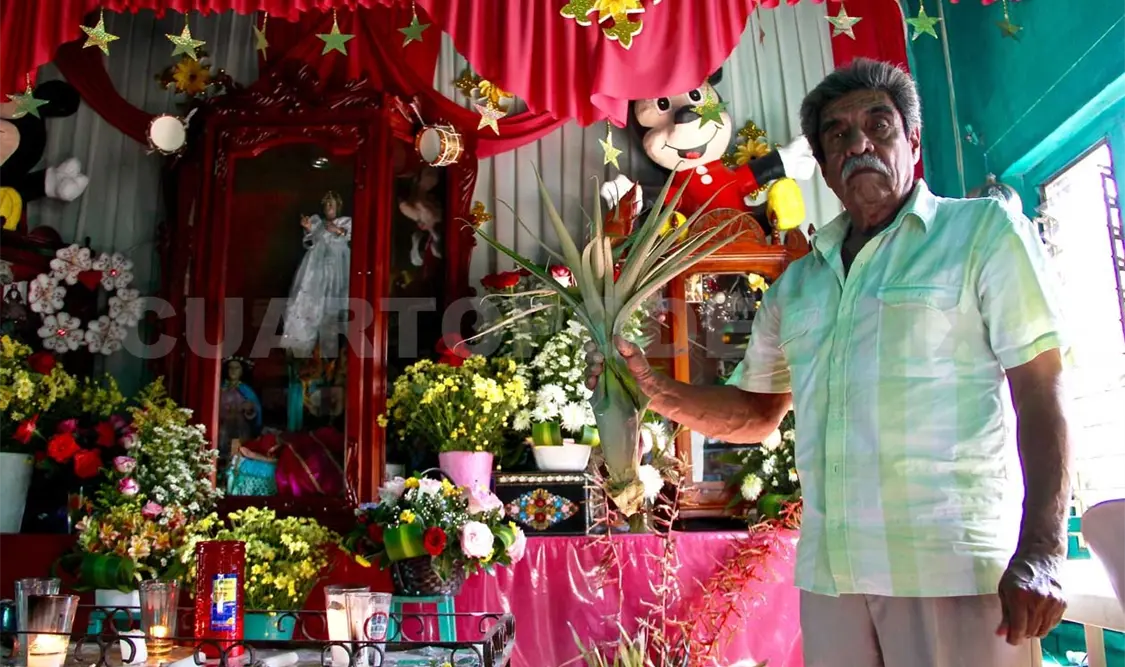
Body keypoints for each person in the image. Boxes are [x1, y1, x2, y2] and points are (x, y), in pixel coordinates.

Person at [586, 58, 1070, 667]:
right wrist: (653, 390)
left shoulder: (981, 235)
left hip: (952, 572)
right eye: (837, 134)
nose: (859, 142)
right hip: (832, 580)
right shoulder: (799, 285)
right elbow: (757, 414)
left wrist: (1046, 547)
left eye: (879, 125)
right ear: (821, 162)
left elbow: (1041, 390)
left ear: (913, 140)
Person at [281, 191, 353, 357]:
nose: (329, 207)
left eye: (332, 204)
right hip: (316, 265)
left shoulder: (345, 221)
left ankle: (334, 348)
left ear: (338, 207)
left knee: (336, 301)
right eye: (326, 204)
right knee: (309, 299)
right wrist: (308, 230)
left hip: (337, 263)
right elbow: (310, 243)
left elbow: (349, 236)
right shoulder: (317, 222)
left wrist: (338, 231)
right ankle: (304, 347)